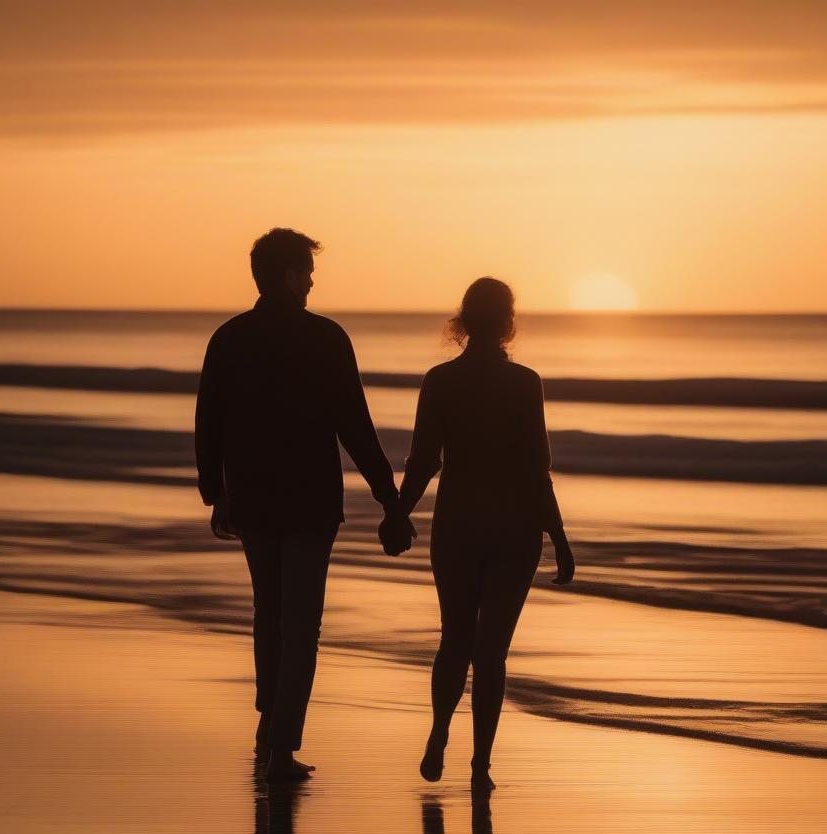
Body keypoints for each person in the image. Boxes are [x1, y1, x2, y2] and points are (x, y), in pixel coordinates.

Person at [195, 228, 415, 782]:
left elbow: (208, 422)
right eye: (308, 272)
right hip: (310, 502)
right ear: (290, 276)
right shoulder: (325, 338)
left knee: (268, 612)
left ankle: (268, 731)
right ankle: (280, 747)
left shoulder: (229, 338)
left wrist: (214, 493)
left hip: (252, 499)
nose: (313, 281)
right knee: (301, 623)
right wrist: (391, 501)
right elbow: (355, 427)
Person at [394, 277, 574, 794]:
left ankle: (438, 731)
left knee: (454, 639)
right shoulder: (524, 383)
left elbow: (423, 461)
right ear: (507, 322)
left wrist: (399, 513)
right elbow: (537, 469)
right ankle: (480, 767)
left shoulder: (440, 381)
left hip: (458, 525)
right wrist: (558, 536)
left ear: (464, 320)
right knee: (491, 651)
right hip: (514, 529)